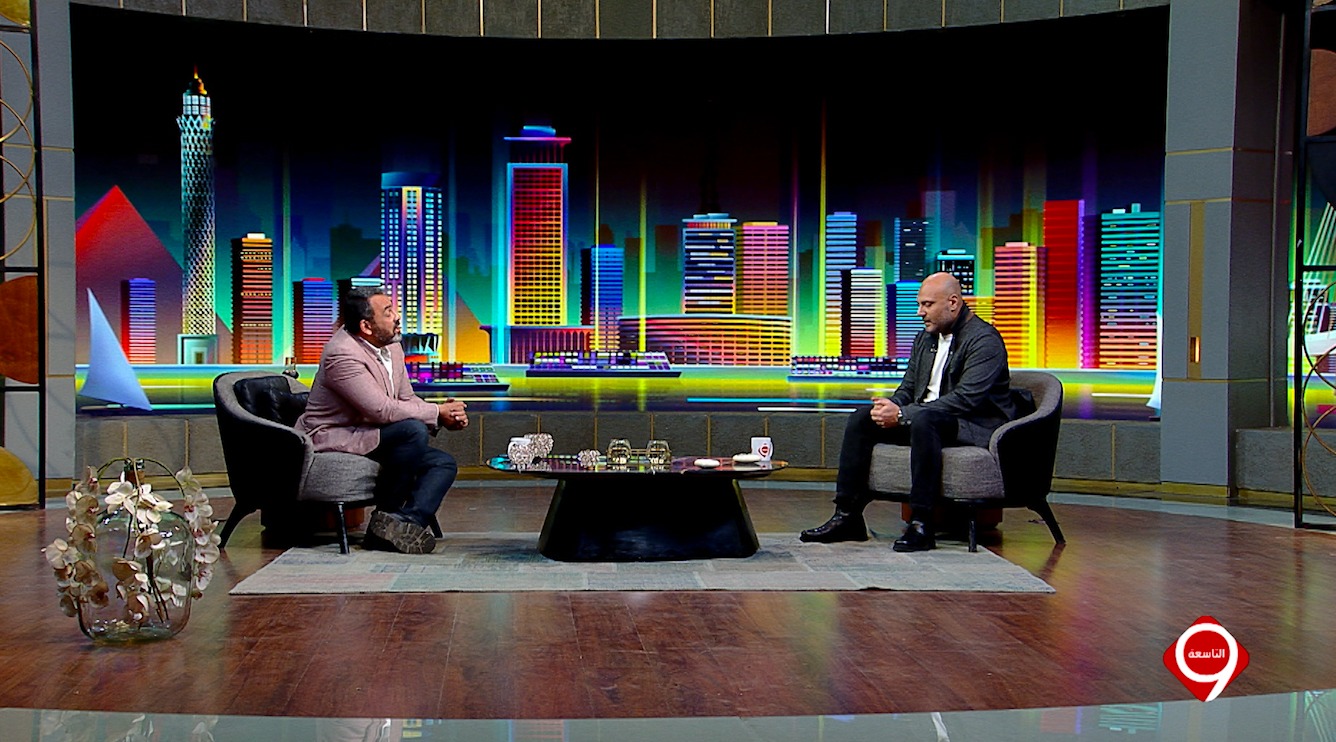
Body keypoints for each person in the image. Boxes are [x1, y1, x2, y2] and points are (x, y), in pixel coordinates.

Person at [800, 272, 1020, 552]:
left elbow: (966, 400)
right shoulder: (925, 338)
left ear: (953, 303)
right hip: (928, 419)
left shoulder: (984, 340)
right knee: (862, 419)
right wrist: (889, 408)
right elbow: (908, 388)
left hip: (971, 424)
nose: (920, 312)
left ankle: (921, 523)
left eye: (927, 304)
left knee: (925, 420)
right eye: (919, 305)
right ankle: (847, 516)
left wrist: (904, 415)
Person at [296, 286, 469, 554]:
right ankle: (387, 514)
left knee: (442, 464)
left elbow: (406, 398)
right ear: (366, 326)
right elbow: (380, 410)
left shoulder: (392, 346)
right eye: (388, 312)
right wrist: (436, 412)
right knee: (412, 431)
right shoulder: (342, 353)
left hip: (371, 433)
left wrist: (445, 415)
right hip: (338, 435)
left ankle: (400, 524)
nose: (397, 316)